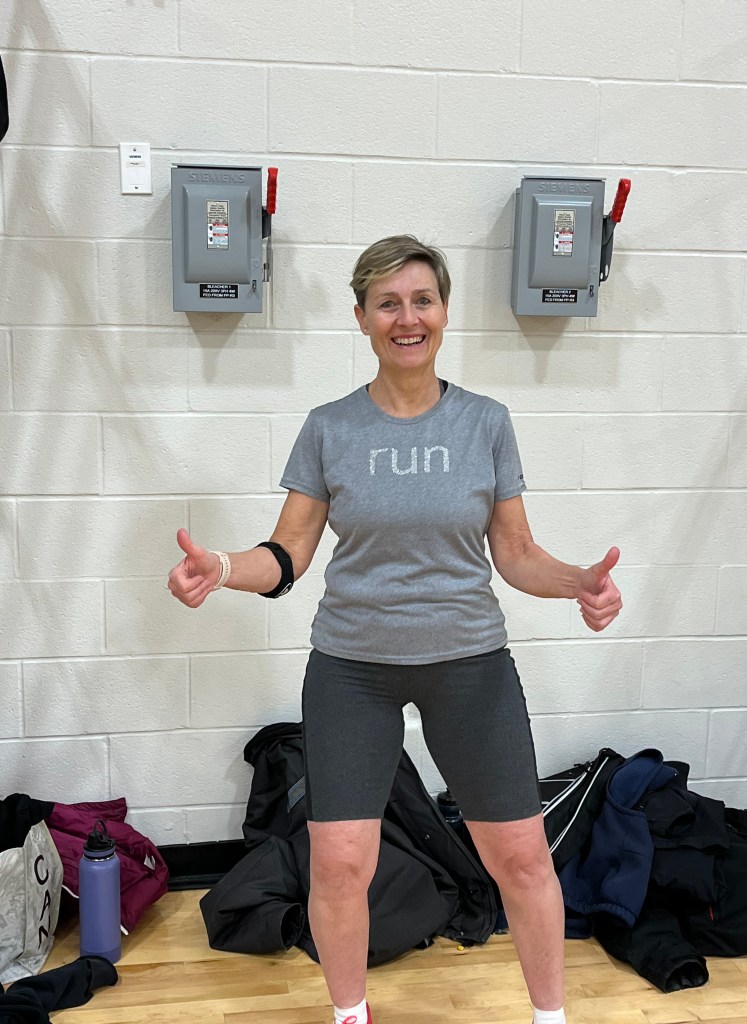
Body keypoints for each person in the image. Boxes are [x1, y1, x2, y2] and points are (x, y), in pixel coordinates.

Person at [167, 236, 622, 1024]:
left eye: (422, 301)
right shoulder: (329, 427)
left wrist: (577, 581)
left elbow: (516, 554)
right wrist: (225, 567)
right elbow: (289, 553)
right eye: (387, 304)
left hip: (469, 665)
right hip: (353, 670)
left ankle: (551, 1017)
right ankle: (351, 1014)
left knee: (520, 856)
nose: (406, 318)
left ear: (443, 312)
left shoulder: (486, 423)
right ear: (361, 318)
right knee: (340, 863)